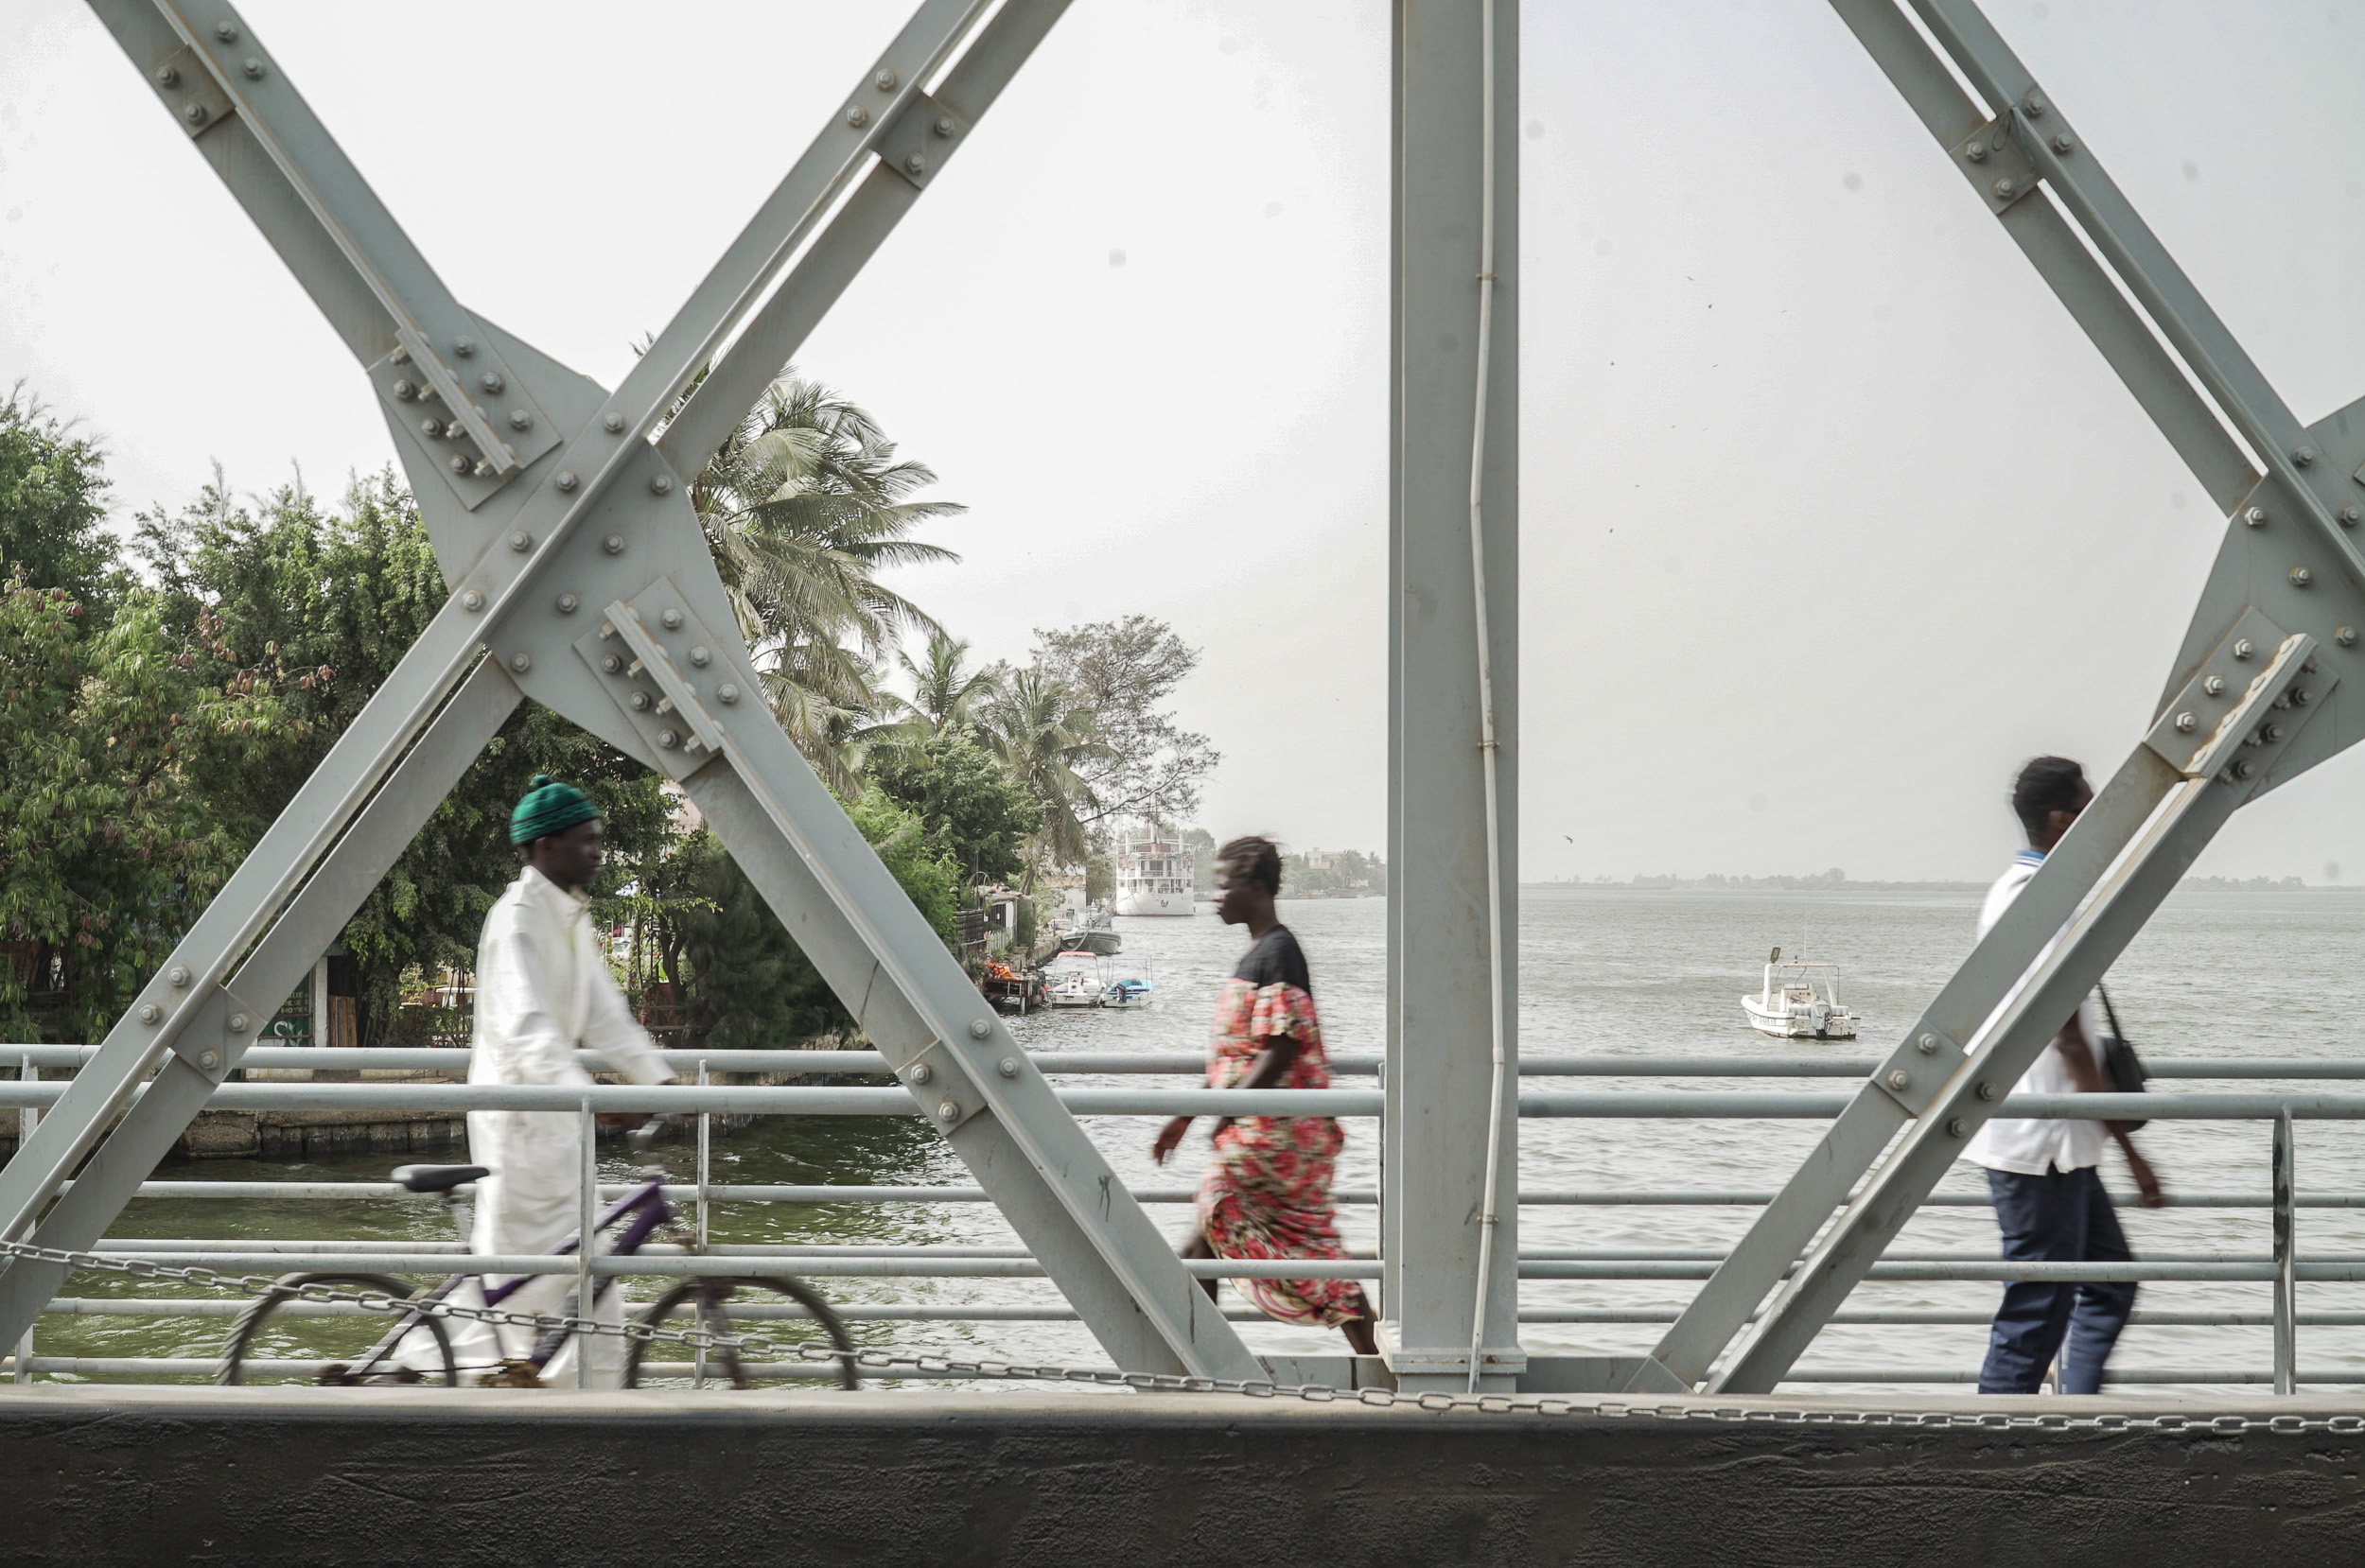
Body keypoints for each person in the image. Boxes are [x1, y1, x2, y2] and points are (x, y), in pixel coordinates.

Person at [436, 775, 676, 1386]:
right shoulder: (517, 921)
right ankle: (469, 1390)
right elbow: (529, 1032)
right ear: (546, 847)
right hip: (521, 1128)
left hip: (555, 1125)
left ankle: (579, 1403)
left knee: (579, 1272)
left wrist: (664, 1083)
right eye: (586, 840)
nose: (598, 852)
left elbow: (604, 1016)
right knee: (535, 1278)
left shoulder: (566, 919)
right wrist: (590, 1102)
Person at [1966, 756, 2165, 1396]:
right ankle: (1992, 1456)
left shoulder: (2022, 892)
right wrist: (2134, 1154)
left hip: (2063, 1145)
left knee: (2109, 1284)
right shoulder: (2034, 902)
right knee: (2036, 1313)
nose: (2100, 820)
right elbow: (2072, 1043)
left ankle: (2074, 1419)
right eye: (2089, 807)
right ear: (2059, 820)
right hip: (2042, 1145)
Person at [1150, 835, 1379, 1356]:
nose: (1216, 896)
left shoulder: (1278, 953)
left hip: (1275, 1137)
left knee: (1211, 1224)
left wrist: (1221, 1116)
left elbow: (1278, 1050)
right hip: (1263, 1132)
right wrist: (1186, 1119)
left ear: (1254, 886)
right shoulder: (1260, 952)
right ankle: (1205, 1369)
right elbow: (1235, 1058)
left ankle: (1199, 1372)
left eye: (1224, 884)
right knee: (1298, 1253)